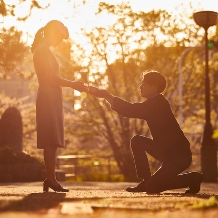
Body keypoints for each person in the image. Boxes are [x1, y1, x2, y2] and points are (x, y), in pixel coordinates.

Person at [89, 70, 203, 194]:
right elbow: (130, 110)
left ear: (154, 87)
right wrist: (106, 96)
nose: (140, 86)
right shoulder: (153, 103)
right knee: (137, 141)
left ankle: (192, 178)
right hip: (166, 152)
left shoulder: (158, 102)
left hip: (179, 156)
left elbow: (131, 110)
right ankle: (146, 180)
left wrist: (106, 95)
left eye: (144, 84)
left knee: (153, 187)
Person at [31, 20, 88, 192]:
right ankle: (51, 180)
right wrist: (73, 84)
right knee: (50, 139)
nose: (60, 42)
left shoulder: (46, 51)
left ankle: (50, 179)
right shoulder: (41, 51)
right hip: (48, 96)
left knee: (53, 140)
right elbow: (51, 78)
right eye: (60, 37)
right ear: (52, 33)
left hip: (53, 96)